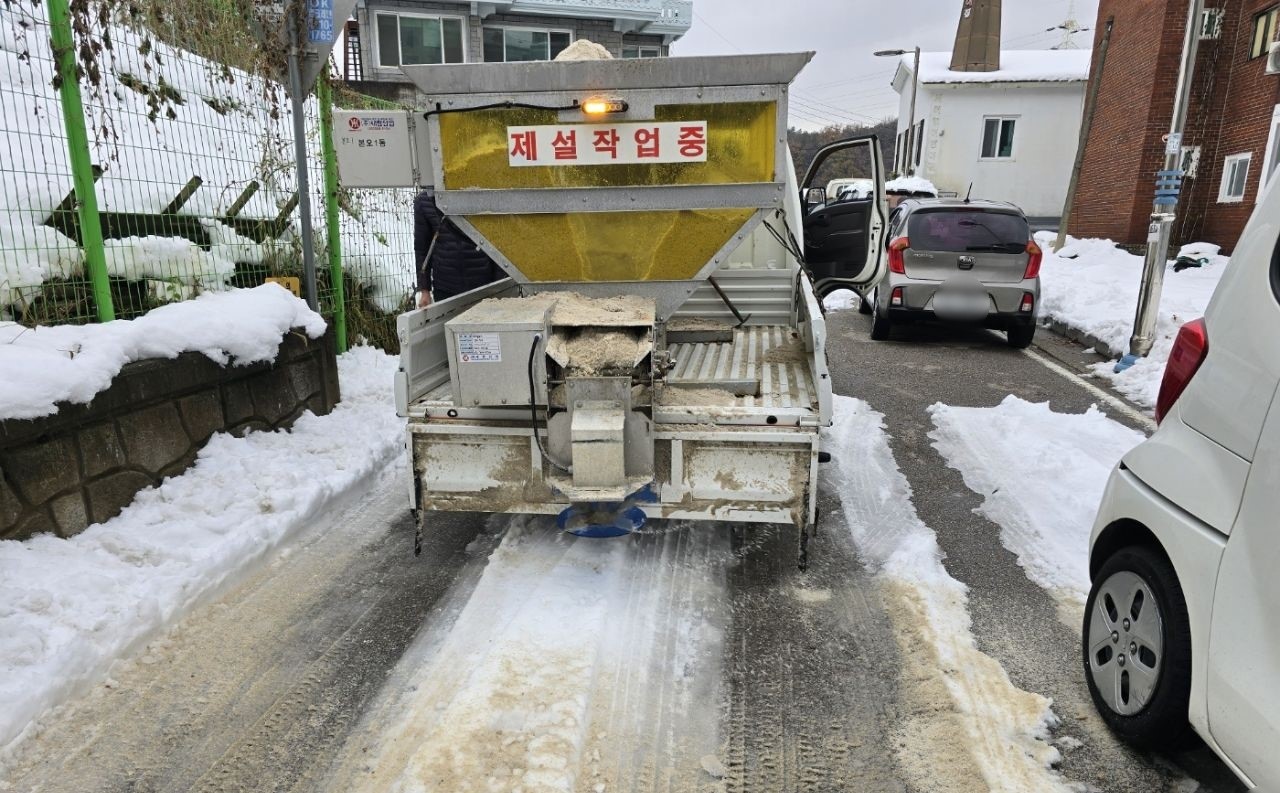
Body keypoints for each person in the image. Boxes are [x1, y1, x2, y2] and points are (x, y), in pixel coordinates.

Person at [413, 187, 504, 307]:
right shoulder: (425, 201)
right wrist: (424, 290)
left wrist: (499, 286)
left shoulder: (482, 193)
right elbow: (422, 249)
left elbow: (500, 241)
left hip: (484, 284)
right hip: (445, 286)